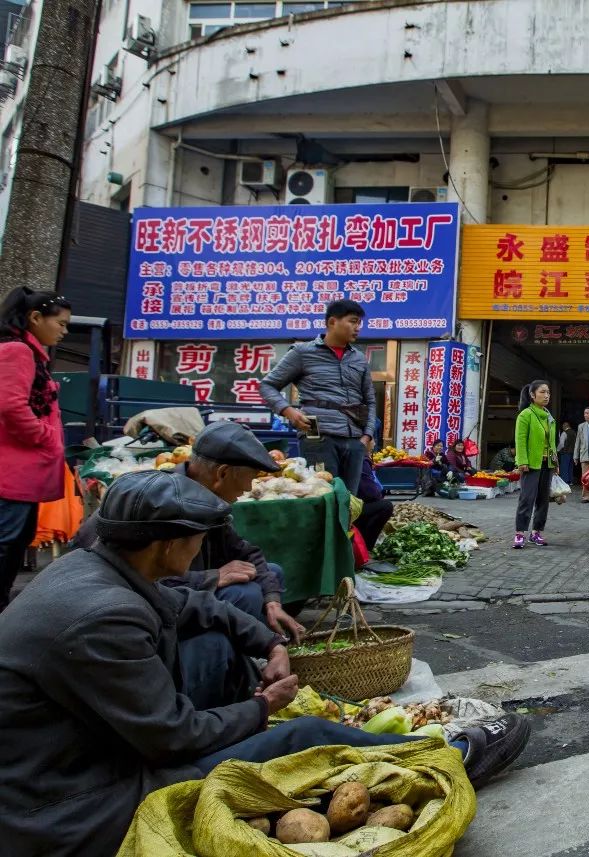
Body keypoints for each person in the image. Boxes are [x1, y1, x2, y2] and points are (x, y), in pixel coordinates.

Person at [0, 470, 529, 857]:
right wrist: (263, 708)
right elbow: (171, 737)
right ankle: (449, 754)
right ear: (168, 545)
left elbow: (194, 605)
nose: (203, 549)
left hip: (87, 752)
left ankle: (266, 730)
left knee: (216, 642)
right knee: (299, 738)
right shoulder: (103, 616)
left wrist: (269, 644)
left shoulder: (97, 569)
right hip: (71, 805)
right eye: (199, 540)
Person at [72, 422, 305, 642]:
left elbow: (244, 551)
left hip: (176, 588)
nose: (247, 489)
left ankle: (252, 648)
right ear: (222, 474)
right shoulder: (162, 501)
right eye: (249, 479)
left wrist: (273, 601)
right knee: (245, 593)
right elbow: (138, 576)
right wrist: (211, 577)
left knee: (269, 575)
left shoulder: (203, 497)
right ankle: (226, 661)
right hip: (127, 606)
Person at [0, 288, 71, 611]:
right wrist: (45, 438)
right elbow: (11, 406)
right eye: (61, 322)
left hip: (21, 474)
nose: (64, 330)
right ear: (36, 318)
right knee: (6, 545)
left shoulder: (30, 353)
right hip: (11, 473)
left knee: (14, 544)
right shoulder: (17, 351)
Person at [261, 299, 377, 495]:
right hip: (317, 434)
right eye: (353, 321)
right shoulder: (302, 352)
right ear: (332, 322)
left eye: (359, 323)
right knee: (322, 494)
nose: (358, 328)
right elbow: (267, 385)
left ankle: (347, 527)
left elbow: (370, 401)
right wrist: (289, 412)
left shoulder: (358, 358)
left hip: (354, 437)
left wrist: (366, 436)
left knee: (349, 500)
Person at [513, 380, 556, 549]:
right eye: (542, 392)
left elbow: (551, 442)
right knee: (527, 499)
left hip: (547, 464)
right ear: (532, 395)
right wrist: (522, 461)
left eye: (548, 393)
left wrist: (555, 462)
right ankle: (519, 533)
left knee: (543, 500)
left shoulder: (549, 416)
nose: (546, 396)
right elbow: (520, 440)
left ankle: (536, 532)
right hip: (531, 465)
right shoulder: (526, 415)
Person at [354, 456, 394, 553]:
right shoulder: (360, 459)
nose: (374, 444)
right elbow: (370, 492)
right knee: (386, 506)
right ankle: (365, 548)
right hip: (350, 507)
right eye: (373, 441)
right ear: (367, 440)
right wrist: (378, 495)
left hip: (350, 503)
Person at [557, 420, 577, 486]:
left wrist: (557, 450)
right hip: (573, 452)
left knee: (564, 467)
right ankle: (570, 481)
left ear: (564, 426)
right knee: (570, 467)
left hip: (565, 452)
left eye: (563, 426)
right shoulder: (574, 433)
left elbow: (562, 444)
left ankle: (565, 481)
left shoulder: (564, 433)